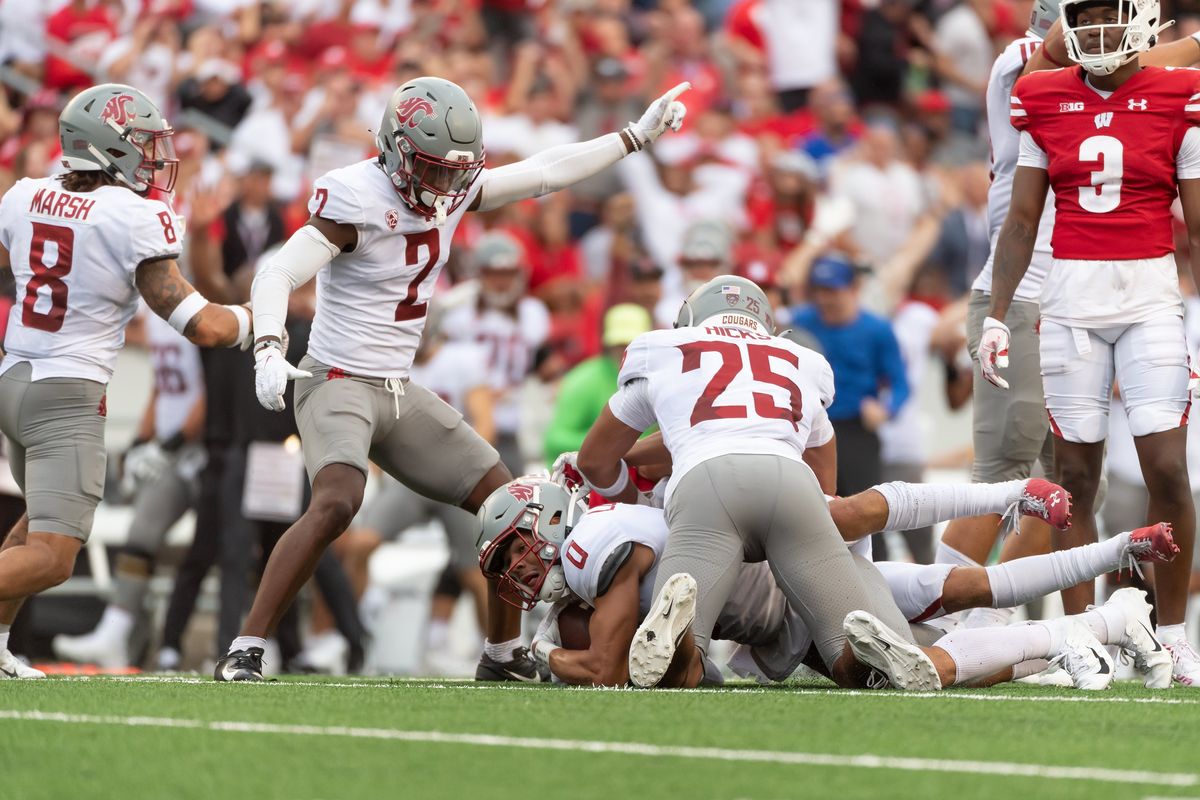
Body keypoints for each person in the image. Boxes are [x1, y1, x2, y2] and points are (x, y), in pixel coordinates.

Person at [214, 76, 693, 682]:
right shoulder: (354, 196)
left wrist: (632, 137)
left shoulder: (451, 186)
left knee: (517, 506)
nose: (445, 187)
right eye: (433, 170)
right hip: (335, 378)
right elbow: (276, 275)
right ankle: (246, 647)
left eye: (453, 172)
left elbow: (544, 171)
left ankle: (501, 654)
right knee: (338, 501)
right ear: (395, 152)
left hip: (398, 389)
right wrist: (268, 346)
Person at [0, 83, 253, 679]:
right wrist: (261, 320)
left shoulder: (25, 195)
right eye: (140, 143)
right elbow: (203, 327)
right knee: (54, 557)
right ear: (106, 147)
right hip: (67, 393)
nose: (154, 156)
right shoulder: (131, 215)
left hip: (14, 381)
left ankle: (0, 637)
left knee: (36, 522)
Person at [981, 0, 1200, 684]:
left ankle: (1172, 634)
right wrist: (996, 312)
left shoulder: (1180, 92)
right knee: (1074, 475)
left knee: (1166, 465)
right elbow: (1021, 220)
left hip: (1150, 298)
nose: (1099, 31)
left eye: (1111, 16)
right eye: (1087, 17)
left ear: (1141, 18)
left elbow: (1198, 218)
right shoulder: (1040, 93)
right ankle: (1084, 634)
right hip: (1070, 302)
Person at [477, 477, 1173, 690]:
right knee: (968, 595)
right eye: (504, 569)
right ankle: (1108, 620)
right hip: (783, 593)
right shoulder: (587, 578)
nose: (516, 573)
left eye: (513, 552)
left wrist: (536, 661)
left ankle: (1080, 627)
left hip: (792, 586)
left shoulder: (591, 543)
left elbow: (608, 670)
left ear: (550, 518)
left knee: (924, 658)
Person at [573, 274, 923, 690]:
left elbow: (594, 459)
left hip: (706, 484)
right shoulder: (800, 360)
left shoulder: (664, 351)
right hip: (793, 485)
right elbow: (825, 483)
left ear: (691, 318)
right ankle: (858, 651)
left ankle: (685, 646)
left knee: (675, 664)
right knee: (844, 649)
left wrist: (630, 497)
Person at [52, 309, 205, 668]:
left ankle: (258, 639)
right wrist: (141, 439)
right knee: (140, 536)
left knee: (229, 548)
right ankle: (115, 633)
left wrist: (174, 440)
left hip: (212, 451)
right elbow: (163, 384)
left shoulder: (206, 312)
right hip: (175, 455)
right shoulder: (158, 317)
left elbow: (217, 388)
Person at [792, 255, 909, 525]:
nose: (824, 299)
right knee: (810, 512)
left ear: (854, 289)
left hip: (856, 429)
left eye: (832, 290)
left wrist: (886, 408)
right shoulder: (799, 323)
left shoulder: (877, 329)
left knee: (866, 514)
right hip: (808, 427)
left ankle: (873, 565)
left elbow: (901, 383)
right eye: (818, 290)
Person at [543, 304, 653, 464]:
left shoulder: (659, 378)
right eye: (620, 344)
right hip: (584, 479)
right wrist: (612, 444)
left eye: (634, 344)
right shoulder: (583, 380)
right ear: (608, 345)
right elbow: (554, 439)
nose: (626, 351)